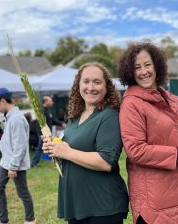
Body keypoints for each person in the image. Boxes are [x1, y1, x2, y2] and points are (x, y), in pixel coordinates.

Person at [118, 42, 178, 224]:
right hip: (157, 202)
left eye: (147, 64)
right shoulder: (131, 104)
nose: (143, 71)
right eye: (137, 67)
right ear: (130, 72)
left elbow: (169, 133)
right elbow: (135, 150)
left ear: (157, 65)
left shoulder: (166, 97)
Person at [43, 63, 129, 224]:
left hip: (101, 206)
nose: (91, 87)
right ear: (78, 85)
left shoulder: (109, 116)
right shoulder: (74, 117)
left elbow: (106, 161)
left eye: (97, 82)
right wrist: (54, 148)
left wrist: (66, 152)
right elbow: (69, 152)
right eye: (86, 81)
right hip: (77, 203)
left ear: (106, 86)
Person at [0, 88, 37, 224]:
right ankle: (3, 219)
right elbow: (8, 138)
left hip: (16, 164)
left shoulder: (16, 119)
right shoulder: (10, 116)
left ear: (3, 101)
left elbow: (20, 145)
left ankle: (31, 219)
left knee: (22, 192)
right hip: (6, 162)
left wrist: (14, 166)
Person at [31, 96, 65, 167]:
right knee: (41, 147)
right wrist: (41, 134)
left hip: (47, 133)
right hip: (44, 134)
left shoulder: (48, 110)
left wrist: (61, 123)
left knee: (46, 147)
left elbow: (52, 120)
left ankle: (54, 161)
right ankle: (34, 163)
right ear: (46, 101)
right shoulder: (42, 111)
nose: (52, 102)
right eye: (51, 101)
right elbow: (38, 123)